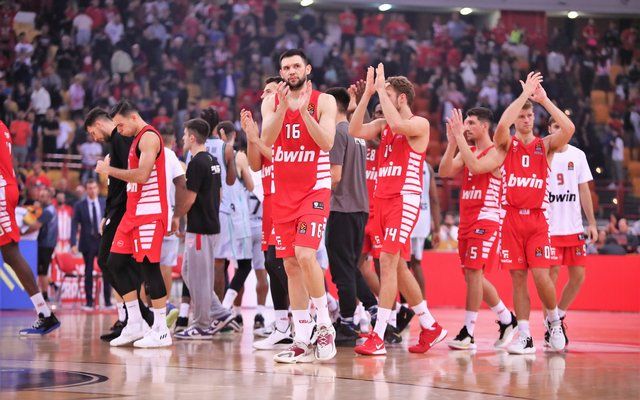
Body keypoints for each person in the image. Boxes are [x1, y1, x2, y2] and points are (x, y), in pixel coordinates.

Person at [452, 72, 574, 354]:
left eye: (530, 115)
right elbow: (488, 147)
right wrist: (522, 96)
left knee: (541, 276)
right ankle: (525, 336)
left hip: (537, 219)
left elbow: (568, 129)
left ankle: (554, 321)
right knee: (518, 279)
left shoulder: (544, 146)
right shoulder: (506, 147)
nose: (526, 119)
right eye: (522, 116)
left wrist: (544, 100)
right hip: (511, 220)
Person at [349, 64, 446, 355]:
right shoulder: (383, 126)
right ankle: (430, 325)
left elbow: (400, 125)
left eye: (388, 95)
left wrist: (380, 89)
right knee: (399, 267)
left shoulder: (419, 124)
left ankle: (379, 335)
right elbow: (354, 130)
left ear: (402, 98)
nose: (383, 99)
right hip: (382, 200)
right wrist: (368, 94)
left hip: (404, 200)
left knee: (389, 262)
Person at [260, 49, 338, 362]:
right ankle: (302, 338)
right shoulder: (271, 101)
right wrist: (283, 108)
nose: (291, 71)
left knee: (306, 254)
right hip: (283, 193)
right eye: (286, 68)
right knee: (290, 265)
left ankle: (325, 325)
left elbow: (327, 142)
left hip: (314, 190)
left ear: (307, 69)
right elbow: (267, 139)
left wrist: (305, 113)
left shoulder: (324, 101)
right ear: (281, 73)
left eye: (296, 66)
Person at [438, 107, 517, 350]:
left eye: (471, 123)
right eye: (466, 123)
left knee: (473, 272)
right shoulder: (468, 150)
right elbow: (444, 171)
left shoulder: (497, 151)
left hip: (487, 218)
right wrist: (452, 142)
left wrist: (459, 137)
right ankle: (506, 318)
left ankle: (468, 332)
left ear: (485, 126)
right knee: (471, 276)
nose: (467, 127)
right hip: (467, 219)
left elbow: (476, 167)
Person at [95, 100, 172, 348]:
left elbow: (141, 175)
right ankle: (135, 323)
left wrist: (109, 170)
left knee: (150, 268)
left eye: (120, 125)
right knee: (113, 262)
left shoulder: (148, 137)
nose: (118, 130)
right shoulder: (134, 138)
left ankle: (161, 330)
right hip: (132, 213)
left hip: (149, 211)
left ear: (133, 118)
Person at [84, 107, 153, 342]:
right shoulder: (116, 143)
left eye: (92, 133)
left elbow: (131, 177)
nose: (94, 138)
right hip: (117, 210)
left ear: (99, 124)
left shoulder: (121, 140)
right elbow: (115, 185)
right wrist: (107, 214)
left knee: (109, 262)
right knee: (119, 265)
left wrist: (108, 171)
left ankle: (143, 317)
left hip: (124, 210)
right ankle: (134, 319)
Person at [325, 86, 378, 346]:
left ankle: (347, 322)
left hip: (342, 207)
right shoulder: (357, 134)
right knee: (350, 266)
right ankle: (373, 307)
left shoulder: (338, 132)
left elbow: (335, 177)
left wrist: (314, 187)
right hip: (360, 207)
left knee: (341, 269)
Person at [244, 77, 294, 350]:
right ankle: (282, 325)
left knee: (285, 262)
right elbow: (255, 165)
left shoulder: (290, 123)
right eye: (263, 91)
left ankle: (309, 318)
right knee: (271, 262)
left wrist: (256, 139)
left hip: (290, 199)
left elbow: (284, 159)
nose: (264, 95)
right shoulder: (266, 130)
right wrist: (251, 138)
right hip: (270, 201)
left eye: (270, 90)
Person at [0, 121, 60, 335]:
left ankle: (45, 313)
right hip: (7, 186)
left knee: (10, 253)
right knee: (10, 254)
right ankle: (44, 313)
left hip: (1, 190)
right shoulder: (3, 126)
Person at [173, 118, 226, 340]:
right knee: (188, 272)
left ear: (193, 137)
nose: (183, 138)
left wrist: (176, 217)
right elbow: (219, 194)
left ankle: (202, 324)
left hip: (200, 229)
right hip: (211, 224)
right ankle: (219, 311)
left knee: (199, 277)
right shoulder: (213, 161)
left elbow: (190, 198)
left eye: (185, 135)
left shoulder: (195, 163)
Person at [548, 131, 598, 347]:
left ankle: (557, 317)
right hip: (550, 228)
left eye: (562, 127)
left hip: (574, 228)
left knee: (578, 276)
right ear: (549, 130)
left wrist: (592, 223)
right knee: (550, 280)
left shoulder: (578, 155)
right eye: (555, 126)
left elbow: (584, 190)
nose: (559, 130)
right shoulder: (543, 153)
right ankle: (551, 327)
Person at [158, 128, 186, 326]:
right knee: (166, 267)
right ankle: (165, 305)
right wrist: (182, 221)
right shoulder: (179, 164)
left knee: (147, 267)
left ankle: (149, 310)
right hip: (172, 219)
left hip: (154, 217)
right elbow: (185, 193)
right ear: (174, 142)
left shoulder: (152, 159)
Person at [70, 179, 108, 310]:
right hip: (87, 242)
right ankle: (89, 302)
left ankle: (108, 302)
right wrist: (73, 242)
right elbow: (74, 224)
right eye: (90, 188)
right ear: (86, 190)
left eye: (94, 187)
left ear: (98, 189)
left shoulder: (104, 202)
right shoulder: (79, 205)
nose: (92, 190)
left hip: (102, 241)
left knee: (107, 271)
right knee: (88, 272)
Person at [408, 161, 441, 297]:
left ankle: (406, 303)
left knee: (402, 265)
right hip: (422, 219)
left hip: (407, 216)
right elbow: (434, 199)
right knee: (416, 263)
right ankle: (422, 302)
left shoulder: (404, 160)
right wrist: (437, 229)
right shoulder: (427, 167)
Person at [33, 188, 58, 302]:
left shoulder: (48, 211)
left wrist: (21, 232)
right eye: (40, 195)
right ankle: (52, 285)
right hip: (48, 243)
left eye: (42, 196)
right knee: (42, 270)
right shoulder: (50, 209)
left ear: (49, 197)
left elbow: (36, 225)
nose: (40, 198)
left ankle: (45, 295)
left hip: (45, 244)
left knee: (42, 271)